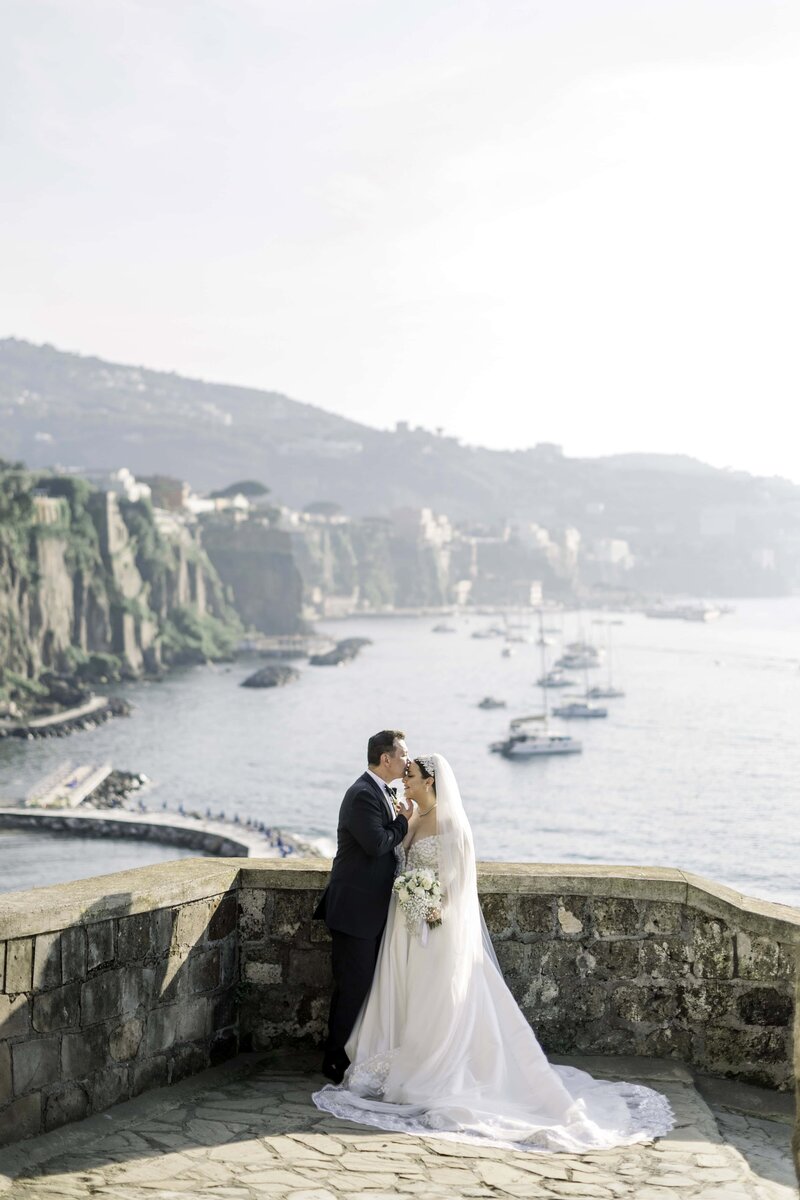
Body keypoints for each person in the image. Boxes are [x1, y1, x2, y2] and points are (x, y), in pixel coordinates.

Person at [313, 754, 675, 1152]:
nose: (406, 781)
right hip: (404, 924)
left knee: (435, 1002)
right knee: (403, 994)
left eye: (412, 776)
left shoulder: (453, 824)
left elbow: (461, 887)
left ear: (430, 781)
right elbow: (396, 857)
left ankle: (429, 1069)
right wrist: (406, 846)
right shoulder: (414, 818)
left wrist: (434, 906)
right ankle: (393, 1057)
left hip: (435, 926)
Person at [314, 730, 413, 1084]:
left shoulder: (381, 792)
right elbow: (376, 844)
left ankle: (356, 1055)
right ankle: (335, 1062)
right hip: (355, 911)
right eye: (402, 754)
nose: (407, 760)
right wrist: (405, 820)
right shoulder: (361, 795)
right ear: (385, 758)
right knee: (352, 988)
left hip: (371, 910)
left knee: (363, 987)